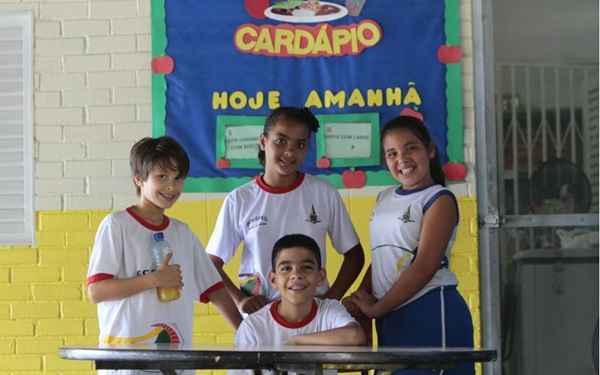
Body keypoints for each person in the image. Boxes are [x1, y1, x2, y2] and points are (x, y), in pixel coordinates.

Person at [87, 136, 242, 374]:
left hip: (175, 363)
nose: (172, 186)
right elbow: (97, 291)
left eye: (177, 177)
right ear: (139, 179)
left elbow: (215, 290)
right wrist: (154, 280)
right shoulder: (116, 225)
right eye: (162, 177)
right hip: (126, 364)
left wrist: (248, 337)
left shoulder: (182, 232)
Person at [346, 114, 474, 375]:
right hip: (390, 314)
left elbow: (425, 265)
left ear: (430, 150)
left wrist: (376, 309)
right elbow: (383, 255)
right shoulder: (383, 198)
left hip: (428, 309)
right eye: (391, 153)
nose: (401, 159)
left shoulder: (439, 198)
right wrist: (362, 299)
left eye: (410, 148)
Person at [207, 106, 365, 314]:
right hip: (262, 317)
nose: (290, 152)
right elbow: (210, 263)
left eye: (300, 144)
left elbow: (355, 255)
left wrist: (330, 300)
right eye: (280, 141)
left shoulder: (323, 193)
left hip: (313, 317)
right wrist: (239, 300)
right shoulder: (239, 200)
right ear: (263, 142)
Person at [233, 234, 366, 374]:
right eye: (286, 268)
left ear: (320, 277)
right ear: (273, 280)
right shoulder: (253, 327)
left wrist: (295, 341)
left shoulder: (329, 310)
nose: (296, 275)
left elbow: (355, 336)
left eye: (306, 267)